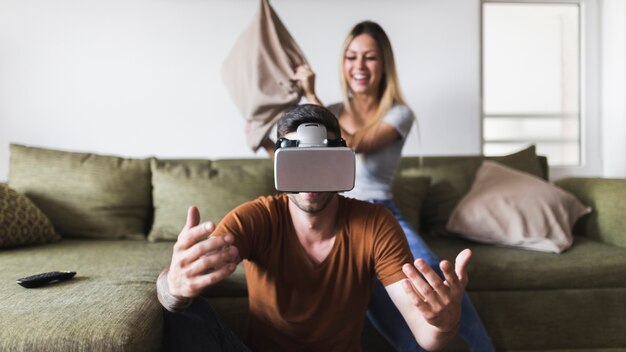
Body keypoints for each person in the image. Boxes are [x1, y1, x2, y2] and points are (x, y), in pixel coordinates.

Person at [158, 104, 473, 351]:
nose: (311, 180)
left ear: (340, 161)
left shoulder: (376, 223)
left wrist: (444, 324)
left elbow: (426, 336)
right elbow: (180, 288)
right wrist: (174, 285)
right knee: (183, 308)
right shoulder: (255, 218)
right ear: (280, 165)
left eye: (321, 162)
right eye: (298, 164)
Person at [261, 21, 494, 352]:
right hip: (336, 214)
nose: (359, 66)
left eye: (369, 57)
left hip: (383, 214)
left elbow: (353, 145)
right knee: (374, 296)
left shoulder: (398, 114)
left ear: (384, 64)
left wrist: (311, 95)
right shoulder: (335, 111)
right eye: (351, 56)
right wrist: (262, 141)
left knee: (430, 285)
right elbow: (297, 165)